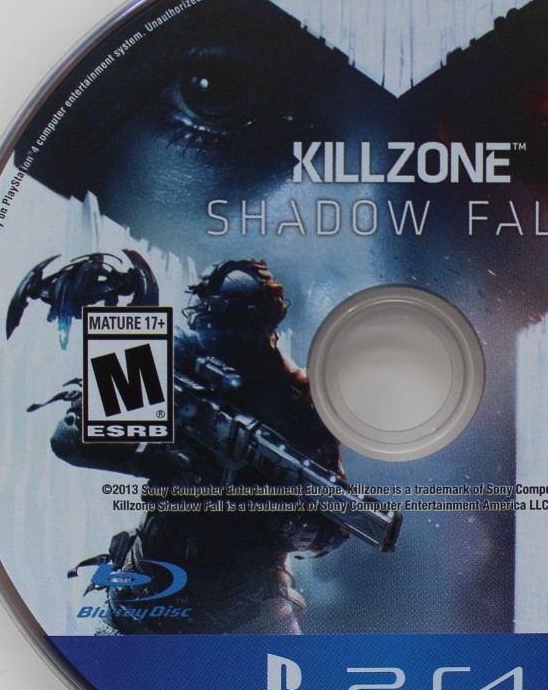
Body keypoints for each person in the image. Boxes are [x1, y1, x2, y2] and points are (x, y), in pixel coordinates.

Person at [50, 260, 349, 634]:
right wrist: (160, 458)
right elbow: (68, 439)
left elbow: (338, 513)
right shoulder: (175, 363)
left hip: (248, 606)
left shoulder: (300, 403)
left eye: (239, 328)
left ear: (266, 325)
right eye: (217, 327)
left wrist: (308, 531)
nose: (227, 342)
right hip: (149, 590)